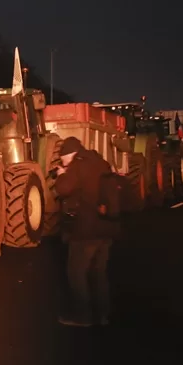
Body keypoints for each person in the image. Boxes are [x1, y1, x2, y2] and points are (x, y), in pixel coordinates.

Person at [53, 136, 120, 327]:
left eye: (63, 159)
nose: (62, 163)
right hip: (106, 228)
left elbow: (64, 189)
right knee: (98, 273)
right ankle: (103, 315)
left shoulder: (78, 165)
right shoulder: (100, 162)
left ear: (69, 154)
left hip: (85, 230)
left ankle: (82, 316)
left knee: (76, 273)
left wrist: (62, 174)